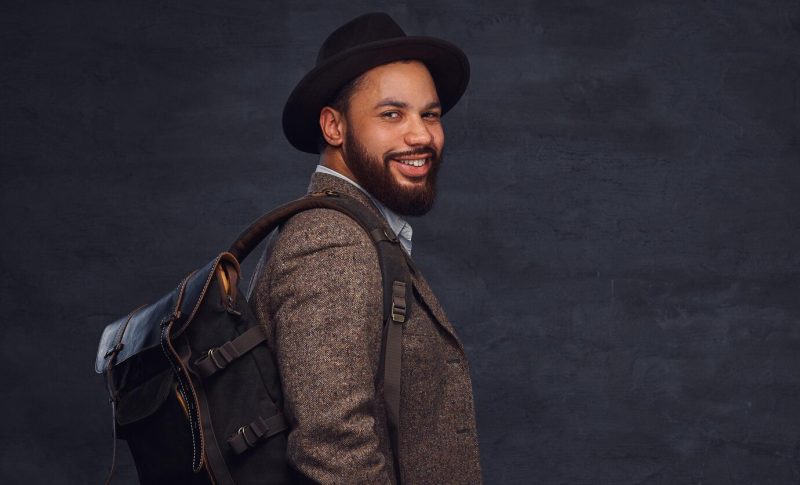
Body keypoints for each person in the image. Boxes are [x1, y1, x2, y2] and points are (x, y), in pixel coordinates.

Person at [249, 12, 481, 484]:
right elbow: (333, 448)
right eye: (392, 114)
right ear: (334, 127)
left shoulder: (362, 230)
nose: (421, 135)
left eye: (429, 114)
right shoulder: (330, 241)